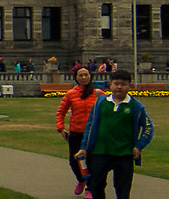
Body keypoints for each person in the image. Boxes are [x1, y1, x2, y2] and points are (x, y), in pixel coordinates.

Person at [73, 71, 154, 199]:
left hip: (124, 154)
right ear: (110, 85)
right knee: (96, 185)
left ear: (130, 86)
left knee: (123, 189)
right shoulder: (101, 103)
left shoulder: (136, 106)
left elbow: (148, 127)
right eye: (116, 83)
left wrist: (139, 146)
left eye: (123, 84)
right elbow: (90, 125)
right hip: (100, 152)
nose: (119, 87)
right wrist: (84, 147)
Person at [55, 66, 100, 196]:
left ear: (90, 76)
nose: (84, 77)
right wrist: (61, 127)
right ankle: (81, 180)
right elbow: (61, 111)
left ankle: (90, 188)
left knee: (92, 161)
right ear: (76, 78)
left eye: (86, 75)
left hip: (92, 133)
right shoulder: (71, 94)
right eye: (81, 75)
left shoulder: (98, 93)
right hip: (76, 132)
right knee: (74, 161)